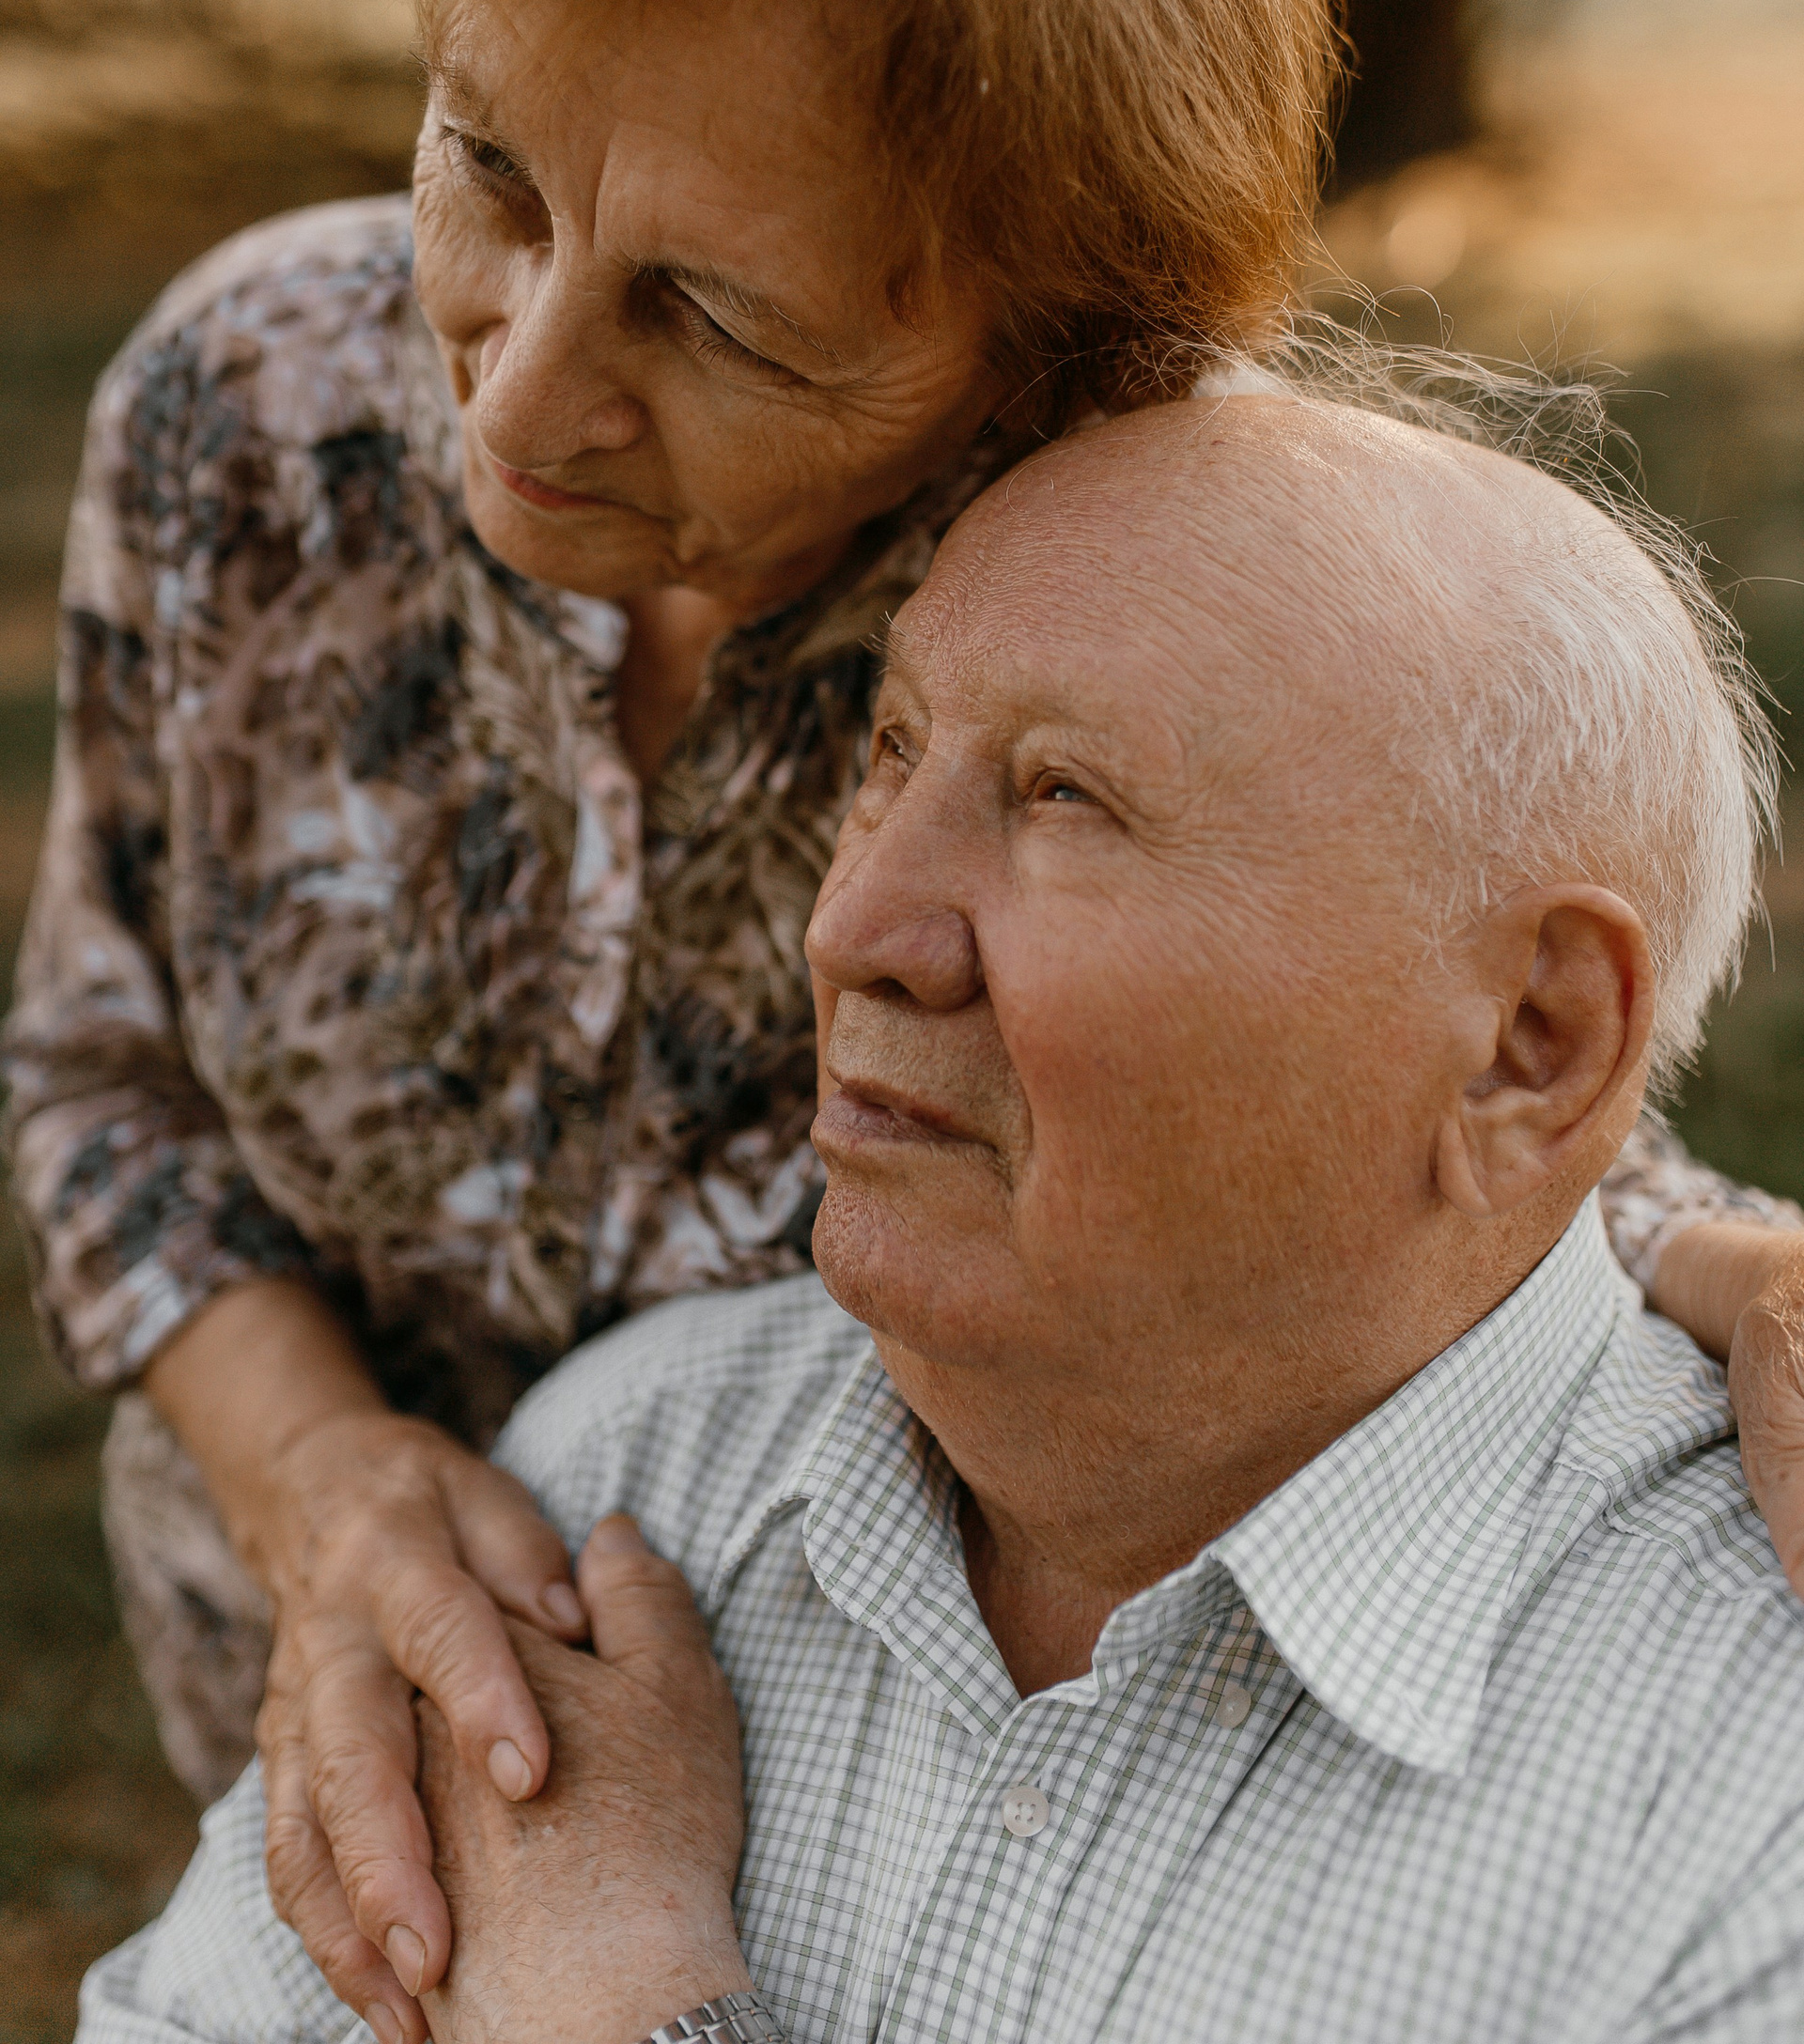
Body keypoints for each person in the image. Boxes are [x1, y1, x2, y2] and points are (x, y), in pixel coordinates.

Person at [8, 0, 1804, 2044]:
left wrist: (1717, 1257)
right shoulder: (249, 398)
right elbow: (104, 1072)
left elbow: (1372, 1071)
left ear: (1042, 339)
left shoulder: (1102, 576)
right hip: (323, 1712)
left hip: (854, 1776)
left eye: (714, 318)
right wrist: (327, 1498)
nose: (516, 391)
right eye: (487, 172)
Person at [78, 390, 1804, 2044]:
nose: (851, 928)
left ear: (1531, 1040)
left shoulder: (1751, 1792)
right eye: (890, 749)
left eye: (1065, 796)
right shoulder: (622, 1481)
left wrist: (633, 2018)